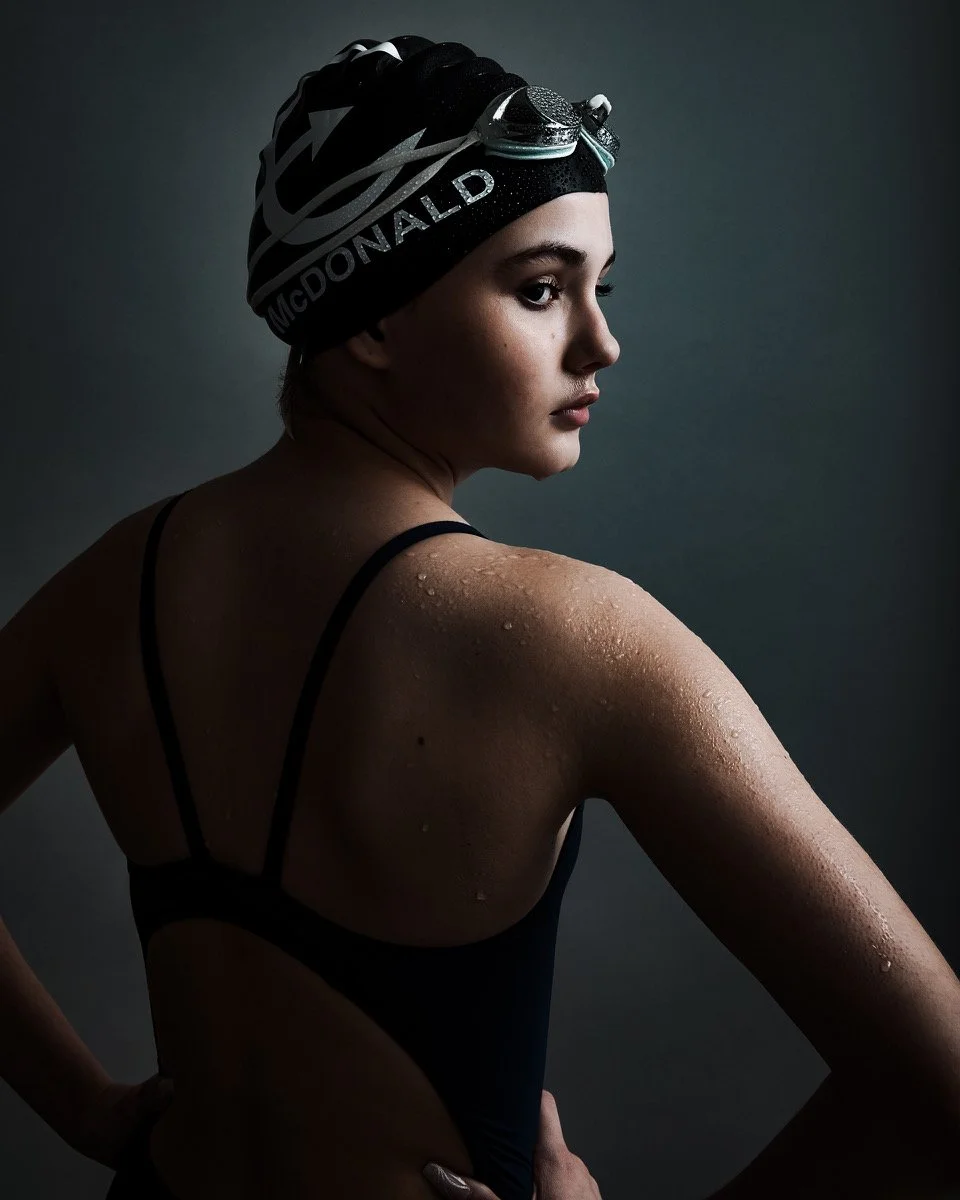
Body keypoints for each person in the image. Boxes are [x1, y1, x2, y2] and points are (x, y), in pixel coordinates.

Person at [0, 31, 957, 1200]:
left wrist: (92, 1117)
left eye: (602, 290)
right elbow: (942, 1074)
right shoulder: (581, 638)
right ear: (376, 319)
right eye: (542, 289)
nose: (603, 343)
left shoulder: (111, 585)